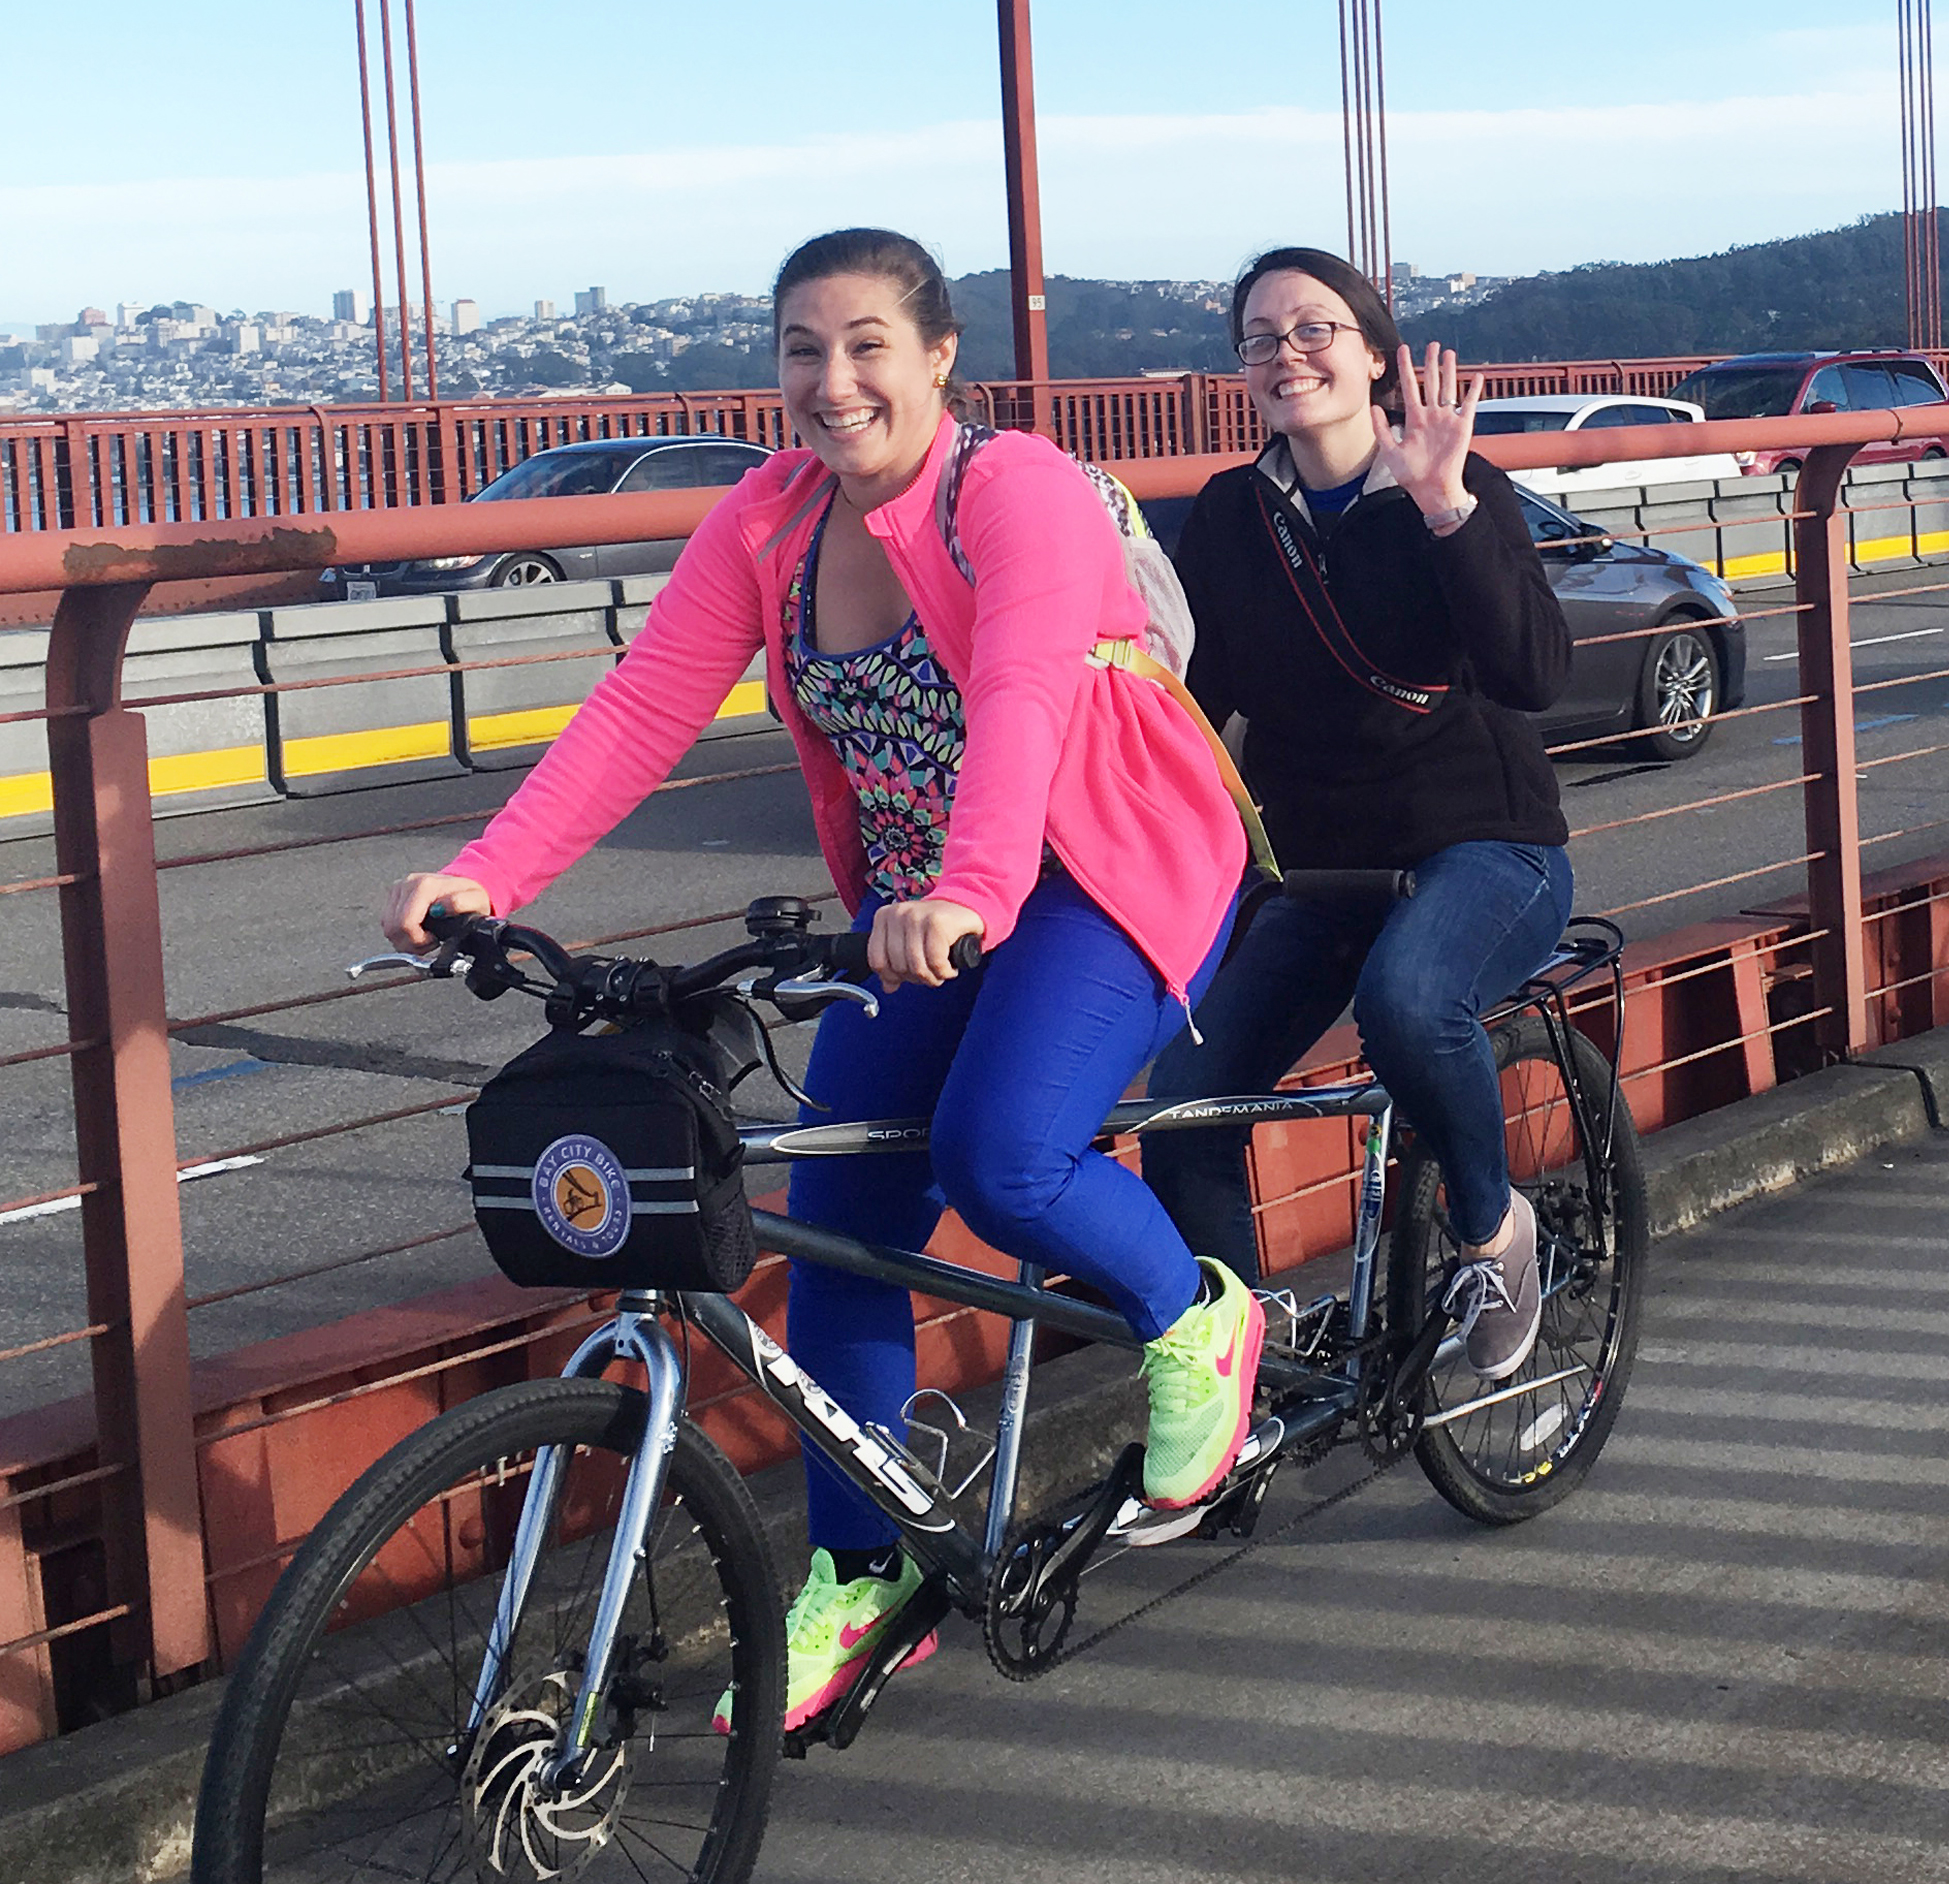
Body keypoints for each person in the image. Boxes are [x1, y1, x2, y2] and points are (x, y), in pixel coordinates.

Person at [384, 227, 1263, 1734]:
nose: (832, 378)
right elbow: (646, 700)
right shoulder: (770, 513)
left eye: (868, 344)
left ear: (937, 358)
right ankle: (869, 1572)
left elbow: (1023, 693)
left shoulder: (1019, 491)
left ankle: (1194, 1316)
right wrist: (493, 872)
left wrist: (975, 893)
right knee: (840, 1226)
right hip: (930, 905)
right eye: (804, 347)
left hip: (1099, 864)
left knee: (1005, 1155)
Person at [1140, 245, 1573, 1378]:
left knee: (1409, 997)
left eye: (1312, 330)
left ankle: (1492, 1229)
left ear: (1374, 353)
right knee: (1185, 1095)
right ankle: (1234, 1369)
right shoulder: (1230, 513)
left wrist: (1447, 510)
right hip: (1325, 867)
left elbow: (1532, 674)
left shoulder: (1452, 480)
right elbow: (1200, 697)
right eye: (1258, 338)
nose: (1285, 356)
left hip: (1484, 842)